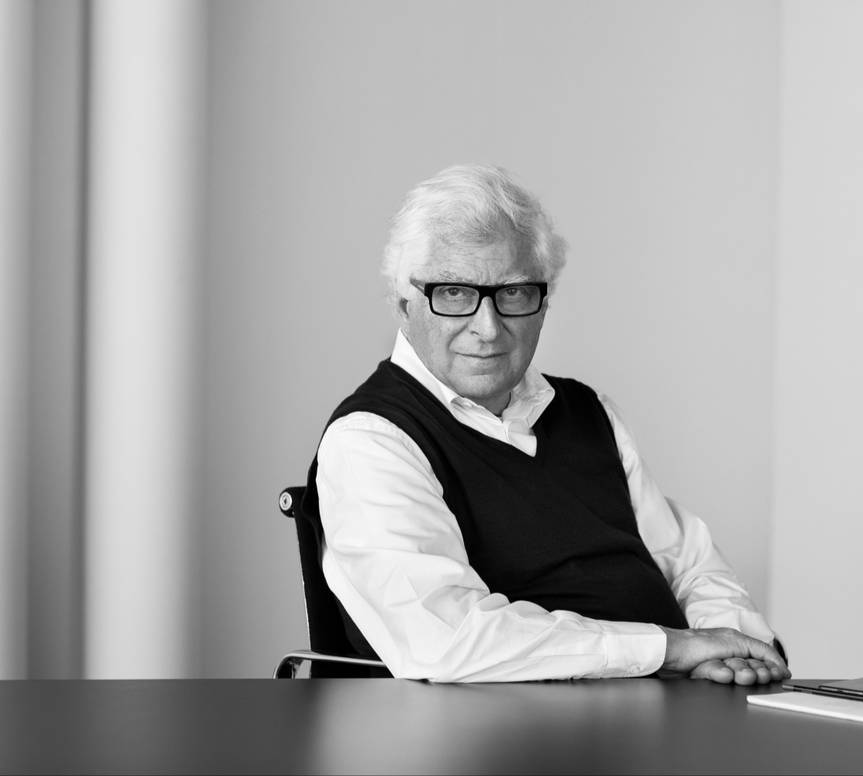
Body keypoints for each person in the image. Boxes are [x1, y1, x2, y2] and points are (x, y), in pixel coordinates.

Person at [305, 164, 789, 684]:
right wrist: (671, 647)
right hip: (510, 724)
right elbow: (447, 638)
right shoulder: (371, 440)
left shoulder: (586, 410)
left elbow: (689, 563)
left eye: (513, 293)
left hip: (673, 704)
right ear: (405, 305)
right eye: (454, 293)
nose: (488, 328)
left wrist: (732, 645)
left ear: (544, 302)